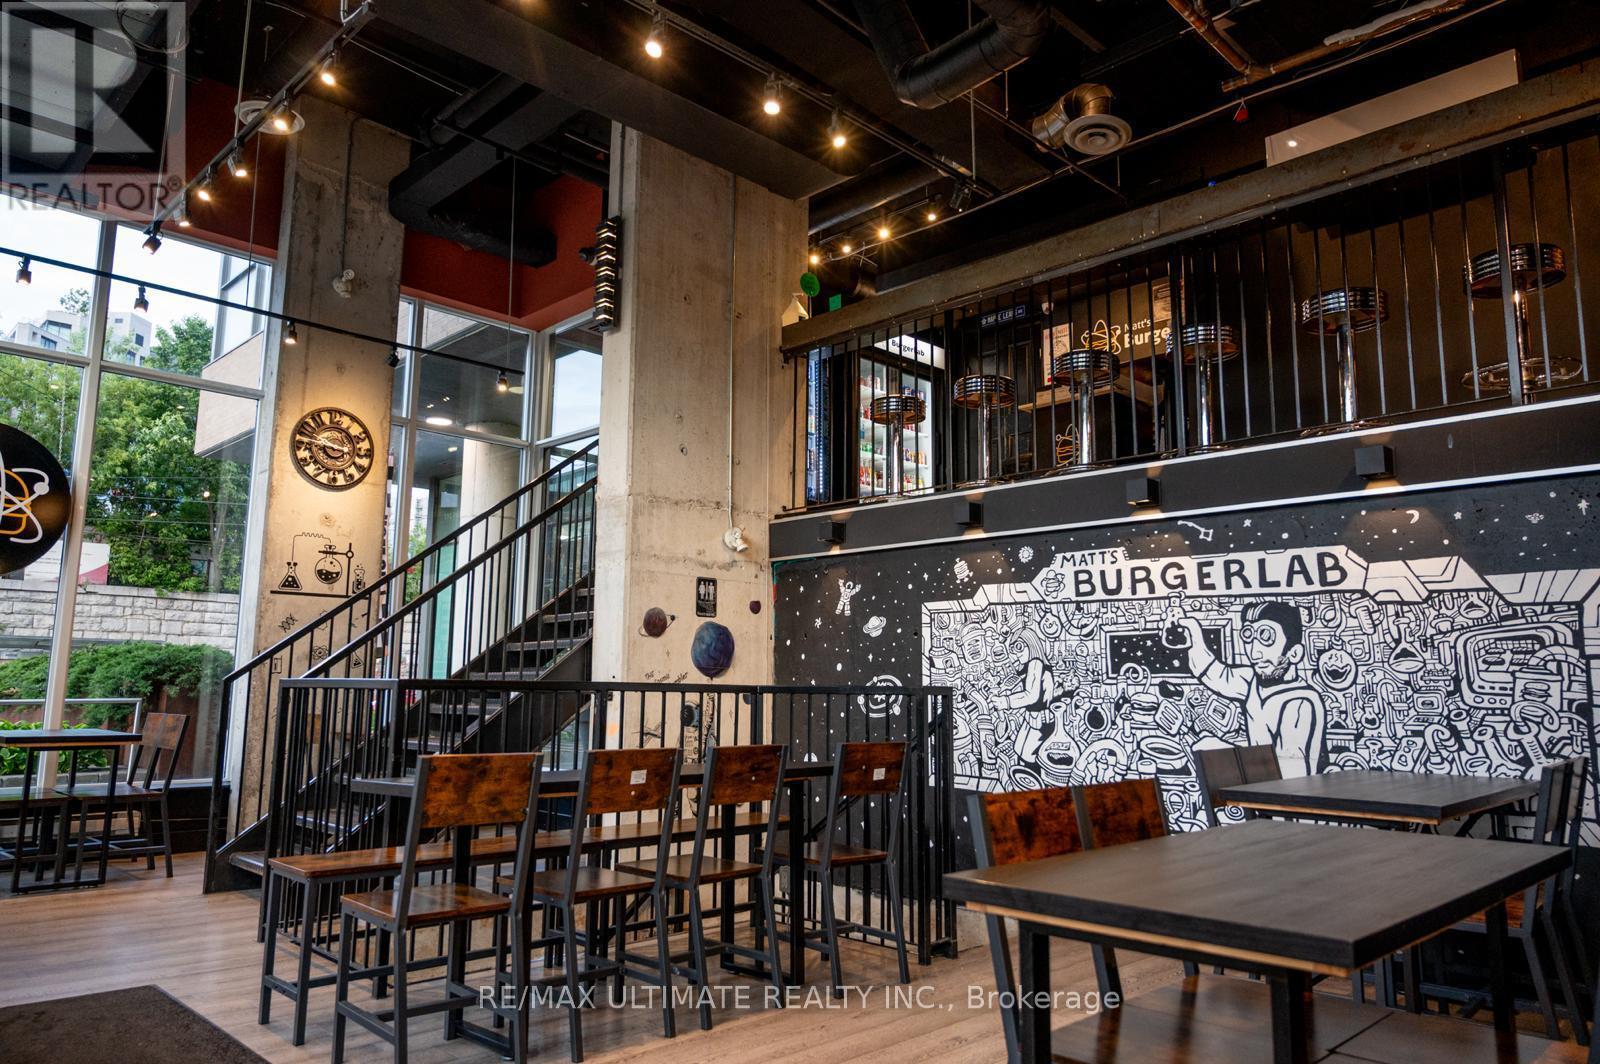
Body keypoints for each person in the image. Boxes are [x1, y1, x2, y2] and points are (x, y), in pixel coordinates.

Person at [1169, 602, 1327, 777]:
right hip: (1263, 788)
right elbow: (1213, 673)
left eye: (1266, 636)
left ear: (1294, 653)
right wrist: (1193, 633)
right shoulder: (1253, 681)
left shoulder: (1299, 702)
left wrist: (1226, 753)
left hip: (1283, 792)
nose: (1254, 653)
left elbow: (1291, 775)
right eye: (1248, 636)